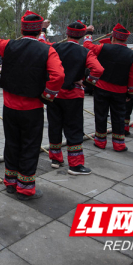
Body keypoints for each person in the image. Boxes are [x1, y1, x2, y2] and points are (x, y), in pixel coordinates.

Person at [0, 11, 64, 200]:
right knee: (30, 146)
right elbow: (59, 75)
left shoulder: (9, 45)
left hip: (10, 106)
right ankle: (26, 187)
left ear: (22, 29)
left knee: (12, 143)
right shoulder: (48, 50)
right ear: (39, 31)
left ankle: (11, 183)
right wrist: (47, 96)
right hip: (32, 107)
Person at [48, 21, 103, 175]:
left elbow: (40, 42)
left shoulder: (55, 47)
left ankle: (55, 159)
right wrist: (87, 82)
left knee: (55, 125)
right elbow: (98, 69)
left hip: (55, 94)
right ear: (81, 36)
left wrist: (44, 28)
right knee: (74, 128)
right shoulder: (85, 52)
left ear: (67, 33)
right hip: (73, 95)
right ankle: (75, 164)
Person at [84, 23, 133, 152]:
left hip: (101, 87)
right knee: (119, 116)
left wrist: (89, 33)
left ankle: (100, 141)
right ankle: (119, 144)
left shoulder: (104, 48)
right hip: (120, 91)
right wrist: (130, 93)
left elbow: (87, 47)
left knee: (101, 114)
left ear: (113, 37)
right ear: (125, 39)